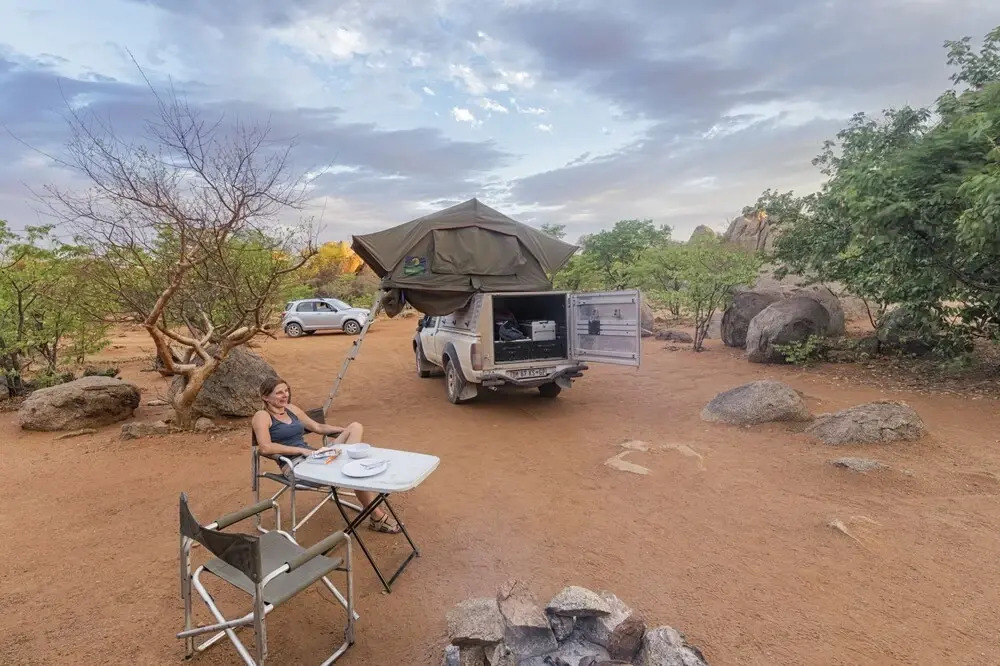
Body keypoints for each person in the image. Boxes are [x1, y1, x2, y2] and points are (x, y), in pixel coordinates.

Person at [251, 376, 401, 534]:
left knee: (355, 427)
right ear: (265, 397)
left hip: (316, 456)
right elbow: (265, 448)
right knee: (353, 472)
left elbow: (318, 427)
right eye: (279, 393)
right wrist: (301, 451)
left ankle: (348, 465)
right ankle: (376, 516)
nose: (285, 395)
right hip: (296, 466)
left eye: (286, 391)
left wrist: (344, 431)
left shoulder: (291, 409)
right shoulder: (262, 416)